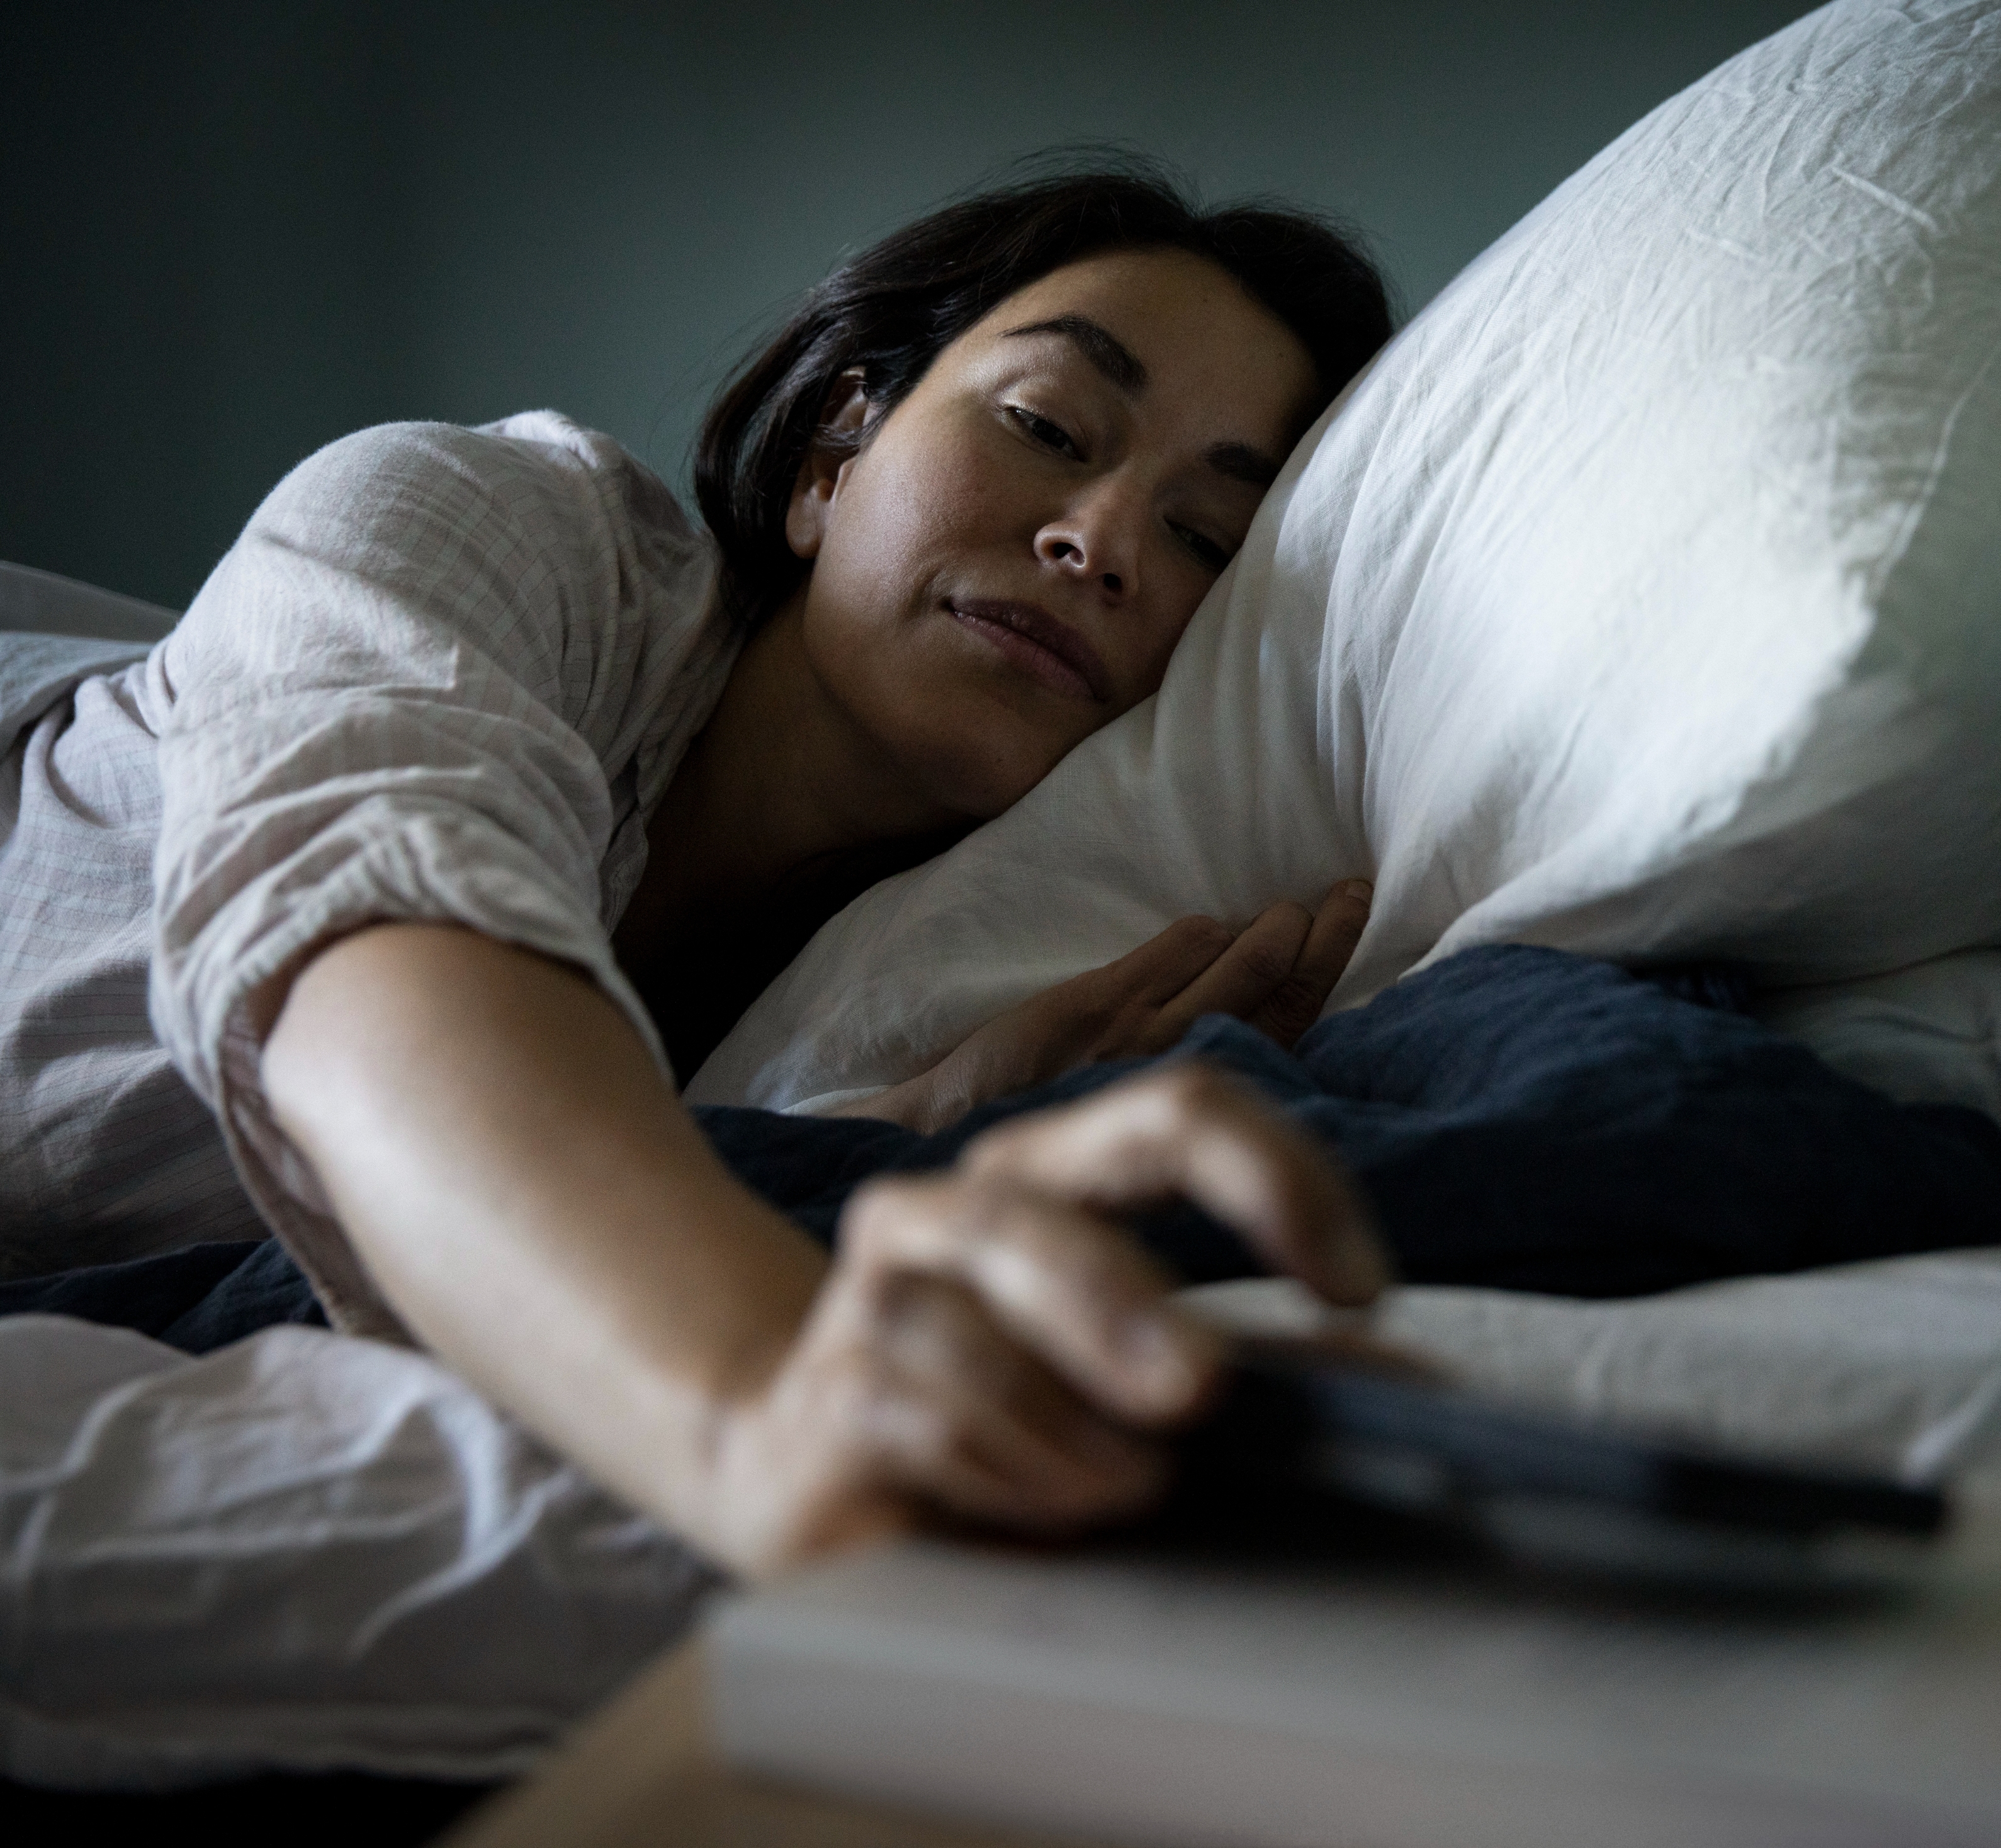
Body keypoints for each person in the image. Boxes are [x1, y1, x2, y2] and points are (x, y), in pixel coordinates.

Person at [0, 171, 1399, 1577]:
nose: (1098, 543)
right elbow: (369, 954)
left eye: (1203, 538)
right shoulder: (475, 526)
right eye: (1045, 426)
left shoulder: (941, 943)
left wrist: (919, 1114)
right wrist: (755, 1407)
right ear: (828, 461)